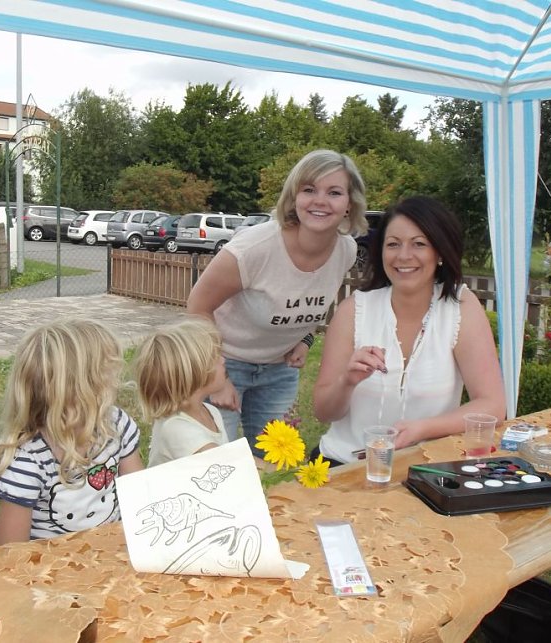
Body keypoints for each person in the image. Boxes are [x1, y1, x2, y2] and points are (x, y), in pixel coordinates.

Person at [187, 149, 367, 454]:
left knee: (274, 463)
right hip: (223, 362)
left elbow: (307, 302)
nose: (320, 200)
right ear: (293, 196)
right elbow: (197, 306)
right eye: (309, 190)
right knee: (220, 464)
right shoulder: (254, 248)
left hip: (279, 371)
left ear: (350, 204)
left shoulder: (346, 251)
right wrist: (216, 376)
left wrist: (306, 339)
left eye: (334, 192)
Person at [313, 195, 506, 465]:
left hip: (423, 470)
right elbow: (323, 411)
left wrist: (423, 429)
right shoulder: (354, 310)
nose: (404, 256)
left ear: (439, 252)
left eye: (419, 244)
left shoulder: (460, 307)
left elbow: (492, 406)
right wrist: (347, 380)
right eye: (393, 244)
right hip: (345, 467)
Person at [0, 319, 143, 544]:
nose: (116, 380)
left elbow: (140, 497)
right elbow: (10, 554)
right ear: (77, 389)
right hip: (52, 572)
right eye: (107, 371)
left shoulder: (116, 425)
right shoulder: (27, 462)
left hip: (115, 558)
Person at [134, 316, 229, 467]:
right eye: (215, 357)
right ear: (195, 373)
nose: (223, 360)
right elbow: (228, 464)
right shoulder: (177, 428)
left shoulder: (211, 411)